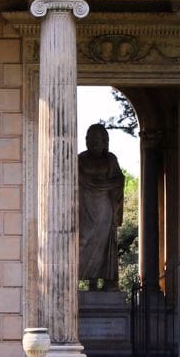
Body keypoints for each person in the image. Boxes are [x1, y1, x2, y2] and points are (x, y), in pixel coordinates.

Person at [78, 123, 126, 291]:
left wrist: (106, 185)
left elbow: (119, 180)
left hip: (105, 208)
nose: (94, 143)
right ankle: (86, 279)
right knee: (83, 241)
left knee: (105, 244)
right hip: (85, 207)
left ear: (105, 141)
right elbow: (73, 180)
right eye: (91, 140)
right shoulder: (80, 159)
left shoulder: (110, 159)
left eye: (98, 140)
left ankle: (105, 281)